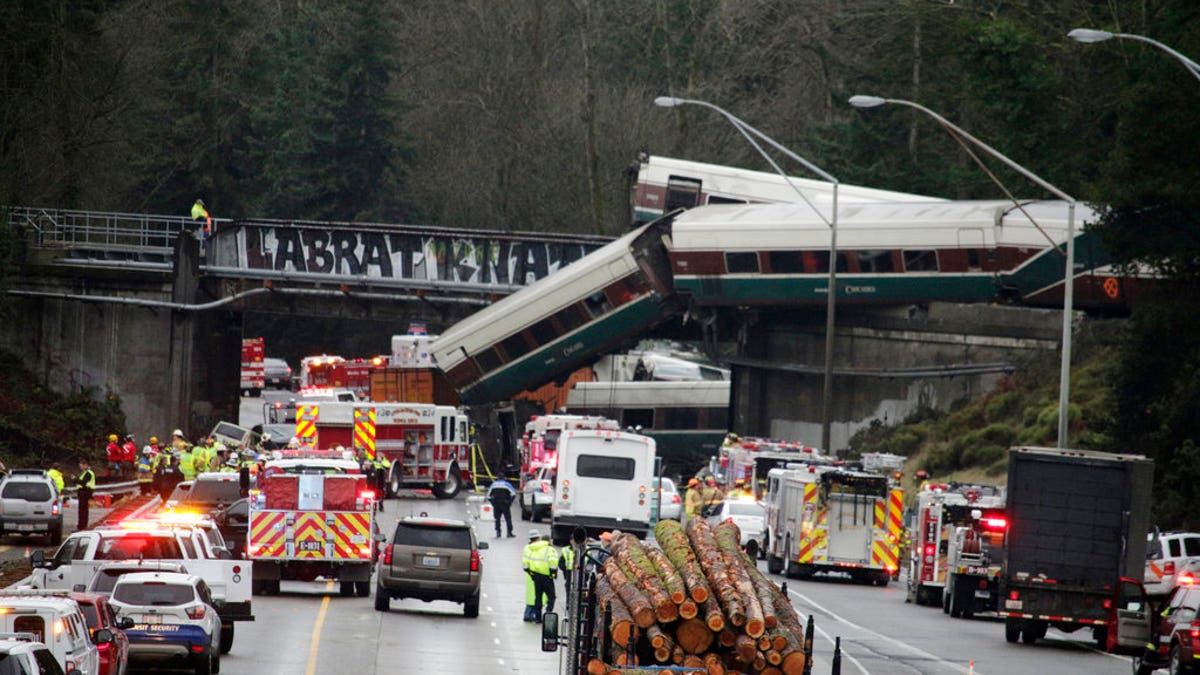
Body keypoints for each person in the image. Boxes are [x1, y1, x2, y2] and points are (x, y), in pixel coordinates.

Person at [522, 529, 559, 622]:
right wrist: (553, 574)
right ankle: (548, 614)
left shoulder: (534, 548)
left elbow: (526, 564)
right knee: (552, 597)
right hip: (547, 576)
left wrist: (532, 574)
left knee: (538, 597)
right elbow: (553, 562)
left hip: (536, 576)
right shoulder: (549, 549)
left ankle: (538, 618)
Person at [75, 459, 96, 530]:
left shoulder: (88, 473)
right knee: (83, 510)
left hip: (85, 492)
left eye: (81, 466)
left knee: (83, 511)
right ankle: (82, 526)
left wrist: (75, 480)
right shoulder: (85, 472)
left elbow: (83, 482)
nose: (80, 468)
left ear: (85, 465)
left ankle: (82, 526)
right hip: (84, 492)